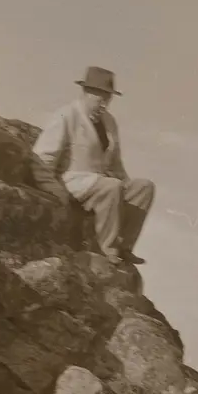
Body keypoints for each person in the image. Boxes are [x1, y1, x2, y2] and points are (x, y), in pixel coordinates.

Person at [31, 66, 155, 267]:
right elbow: (42, 157)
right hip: (73, 182)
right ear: (86, 92)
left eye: (108, 99)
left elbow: (116, 164)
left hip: (100, 183)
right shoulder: (67, 115)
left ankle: (125, 247)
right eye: (100, 98)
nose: (104, 104)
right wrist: (54, 190)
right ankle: (107, 249)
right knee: (111, 186)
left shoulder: (110, 122)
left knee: (144, 187)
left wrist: (127, 187)